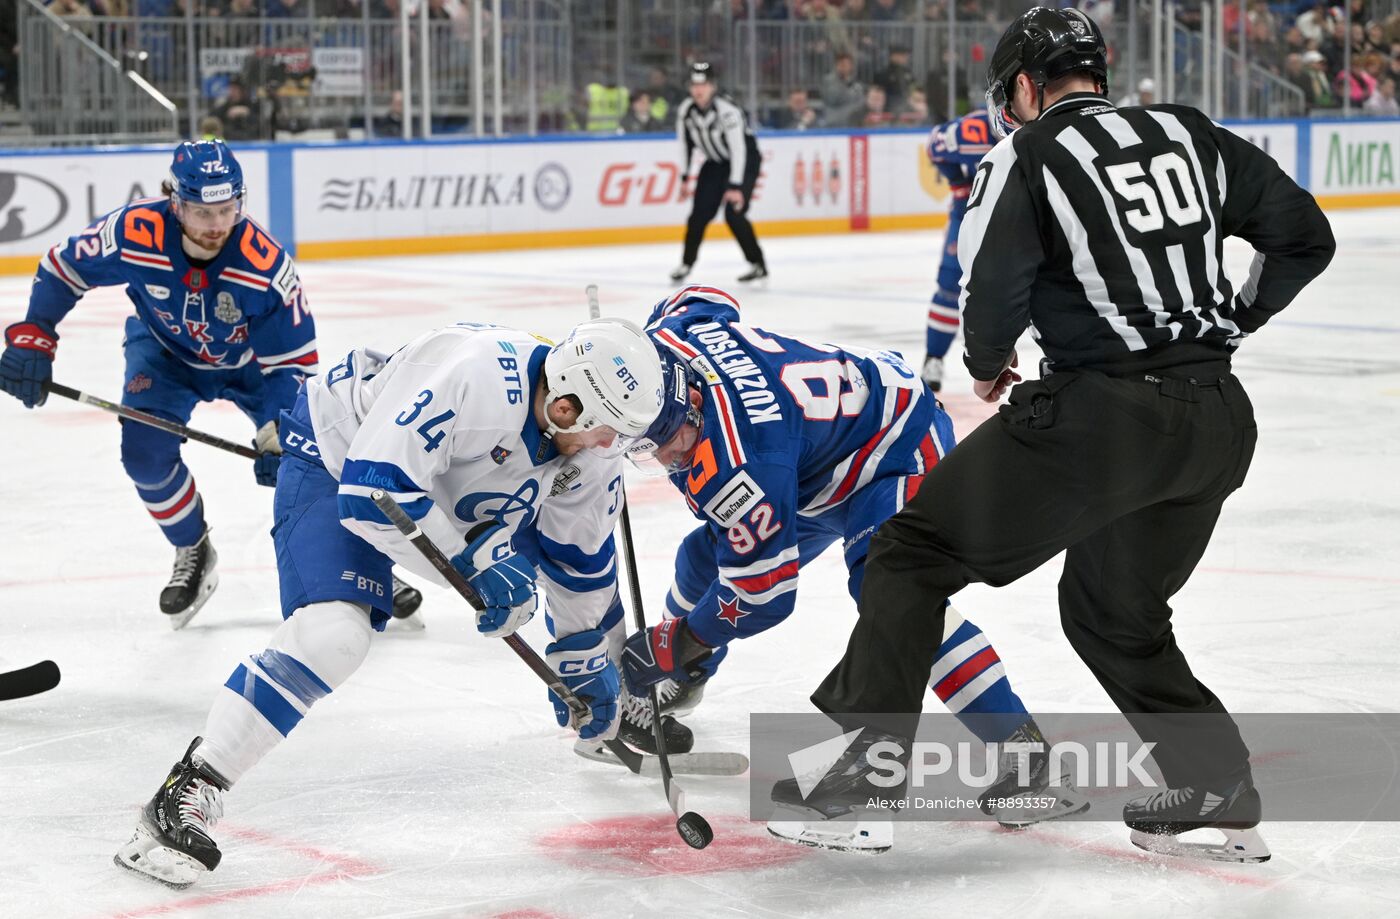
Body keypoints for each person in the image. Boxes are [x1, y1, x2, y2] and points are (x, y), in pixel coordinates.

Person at [772, 6, 1333, 862]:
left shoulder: (1025, 155)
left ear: (1028, 87)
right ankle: (1214, 779)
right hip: (1217, 417)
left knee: (910, 553)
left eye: (1010, 97)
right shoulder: (1190, 132)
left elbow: (991, 286)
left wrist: (987, 363)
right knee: (1115, 610)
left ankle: (861, 778)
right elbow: (1306, 236)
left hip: (1103, 416)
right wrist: (1230, 320)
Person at [113, 317, 672, 888]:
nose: (611, 448)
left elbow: (578, 558)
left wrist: (583, 656)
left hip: (450, 489)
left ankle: (608, 703)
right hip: (339, 463)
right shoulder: (475, 375)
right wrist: (473, 564)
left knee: (543, 588)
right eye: (606, 431)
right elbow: (373, 492)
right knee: (336, 636)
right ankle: (187, 790)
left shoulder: (592, 445)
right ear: (565, 407)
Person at [617, 286, 1087, 852]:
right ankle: (679, 682)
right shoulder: (674, 341)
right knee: (703, 555)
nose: (665, 460)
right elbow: (701, 296)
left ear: (690, 407)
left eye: (667, 442)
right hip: (819, 457)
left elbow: (763, 595)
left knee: (892, 592)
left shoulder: (745, 466)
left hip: (893, 447)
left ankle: (1026, 758)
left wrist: (679, 639)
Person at [2, 141, 345, 629]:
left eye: (226, 210)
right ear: (175, 201)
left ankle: (352, 559)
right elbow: (64, 267)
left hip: (249, 365)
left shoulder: (264, 266)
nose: (215, 225)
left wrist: (277, 428)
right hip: (163, 356)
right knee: (143, 454)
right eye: (202, 211)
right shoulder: (136, 232)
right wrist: (35, 336)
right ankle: (192, 547)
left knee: (310, 457)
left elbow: (292, 364)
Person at [671, 62, 768, 286]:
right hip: (714, 163)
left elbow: (738, 149)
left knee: (734, 215)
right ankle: (686, 264)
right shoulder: (686, 111)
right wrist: (685, 177)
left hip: (744, 162)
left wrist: (736, 186)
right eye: (694, 85)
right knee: (698, 216)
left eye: (703, 84)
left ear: (713, 86)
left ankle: (758, 263)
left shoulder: (727, 110)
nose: (698, 90)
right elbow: (684, 145)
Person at [919, 106, 995, 391]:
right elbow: (934, 146)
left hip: (1026, 211)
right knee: (950, 285)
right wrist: (958, 183)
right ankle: (933, 358)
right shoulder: (974, 129)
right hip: (971, 211)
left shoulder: (1042, 120)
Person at [819, 51, 865, 126]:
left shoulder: (856, 84)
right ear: (836, 65)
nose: (845, 67)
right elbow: (833, 99)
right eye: (842, 64)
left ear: (851, 66)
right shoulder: (828, 81)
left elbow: (860, 103)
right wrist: (843, 82)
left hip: (852, 124)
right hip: (834, 125)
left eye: (847, 64)